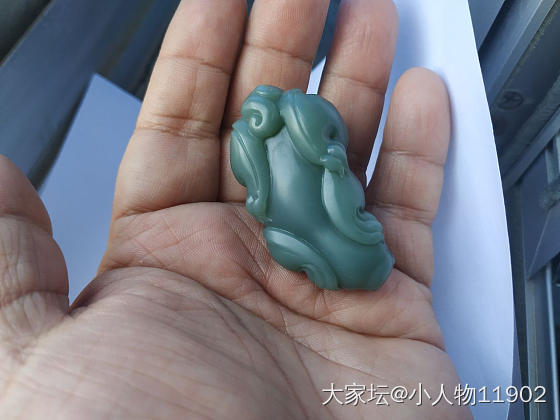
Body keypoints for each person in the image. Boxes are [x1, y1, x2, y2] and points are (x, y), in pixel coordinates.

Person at [0, 0, 472, 418]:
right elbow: (295, 204)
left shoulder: (319, 180)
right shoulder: (306, 172)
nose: (334, 148)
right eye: (328, 140)